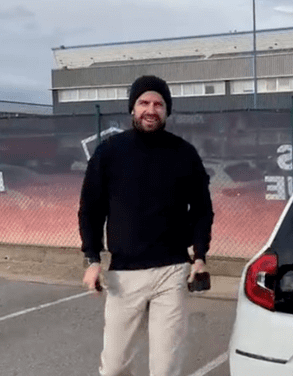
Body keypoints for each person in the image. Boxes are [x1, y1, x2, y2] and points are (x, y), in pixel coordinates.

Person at [78, 75, 214, 376]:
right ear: (132, 108)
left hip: (172, 272)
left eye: (158, 103)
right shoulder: (109, 153)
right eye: (144, 102)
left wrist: (200, 255)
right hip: (123, 275)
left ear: (167, 111)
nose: (150, 109)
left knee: (165, 368)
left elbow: (203, 209)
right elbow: (90, 209)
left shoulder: (185, 154)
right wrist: (92, 259)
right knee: (114, 367)